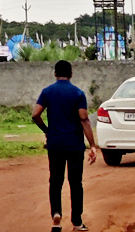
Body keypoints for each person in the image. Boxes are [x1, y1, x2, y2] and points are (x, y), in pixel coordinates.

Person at [32, 59, 97, 232]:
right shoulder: (77, 93)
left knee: (55, 180)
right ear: (71, 74)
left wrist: (47, 130)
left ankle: (56, 215)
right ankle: (77, 222)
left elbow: (35, 114)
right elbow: (83, 118)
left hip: (55, 144)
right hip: (74, 144)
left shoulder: (47, 92)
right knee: (75, 182)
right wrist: (92, 144)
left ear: (55, 74)